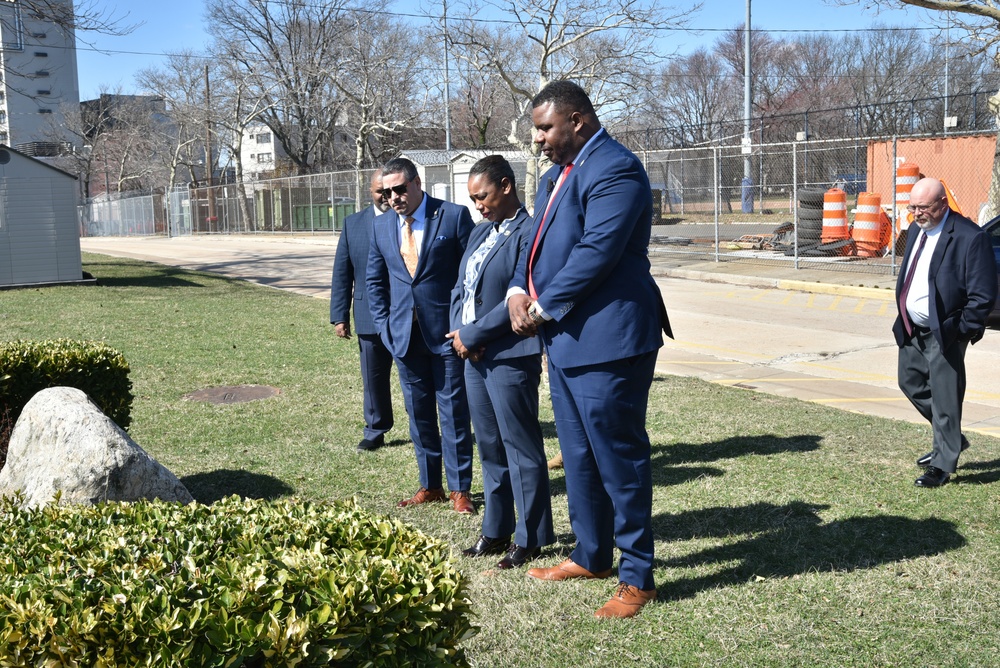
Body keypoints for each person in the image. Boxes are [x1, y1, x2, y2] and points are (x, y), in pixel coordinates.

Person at [507, 81, 672, 619]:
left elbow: (596, 251)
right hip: (566, 338)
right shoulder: (555, 176)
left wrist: (543, 307)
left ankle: (638, 577)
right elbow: (533, 245)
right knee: (578, 458)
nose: (538, 140)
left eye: (545, 128)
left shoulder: (616, 169)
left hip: (609, 339)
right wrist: (516, 291)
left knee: (618, 458)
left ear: (577, 121)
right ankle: (592, 554)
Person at [447, 155, 554, 570]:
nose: (479, 205)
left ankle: (531, 537)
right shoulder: (479, 233)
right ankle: (495, 530)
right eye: (473, 199)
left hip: (510, 353)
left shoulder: (531, 232)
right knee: (489, 446)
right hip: (472, 354)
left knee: (520, 446)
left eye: (484, 196)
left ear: (507, 186)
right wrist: (461, 332)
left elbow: (521, 296)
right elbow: (462, 287)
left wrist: (473, 334)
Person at [367, 157, 477, 514]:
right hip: (403, 337)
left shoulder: (453, 215)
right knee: (419, 415)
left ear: (417, 183)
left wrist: (464, 324)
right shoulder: (381, 226)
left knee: (453, 413)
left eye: (399, 189)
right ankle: (429, 485)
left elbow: (471, 274)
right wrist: (385, 327)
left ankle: (460, 489)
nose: (393, 198)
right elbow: (375, 281)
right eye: (386, 193)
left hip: (447, 336)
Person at [893, 177, 997, 488]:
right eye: (912, 207)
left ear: (942, 204)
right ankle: (952, 437)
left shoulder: (969, 236)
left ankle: (941, 465)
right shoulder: (916, 229)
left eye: (923, 207)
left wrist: (960, 330)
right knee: (909, 382)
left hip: (946, 331)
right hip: (912, 327)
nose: (916, 213)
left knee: (945, 397)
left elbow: (983, 295)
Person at [330, 168, 394, 452]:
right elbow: (342, 274)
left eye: (390, 191)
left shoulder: (410, 220)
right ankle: (375, 429)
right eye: (380, 191)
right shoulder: (353, 224)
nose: (386, 197)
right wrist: (339, 316)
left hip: (410, 315)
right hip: (369, 316)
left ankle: (426, 426)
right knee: (373, 377)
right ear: (370, 192)